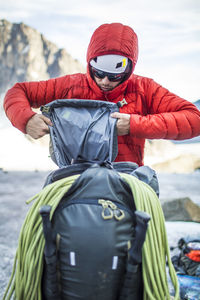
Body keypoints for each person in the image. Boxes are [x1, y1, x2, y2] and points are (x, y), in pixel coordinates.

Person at [3, 22, 200, 166]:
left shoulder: (143, 88)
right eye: (99, 72)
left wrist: (134, 125)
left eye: (114, 76)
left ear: (129, 69)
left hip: (126, 178)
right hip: (75, 175)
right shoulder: (70, 85)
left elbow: (194, 119)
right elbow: (17, 92)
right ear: (90, 61)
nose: (105, 81)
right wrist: (26, 119)